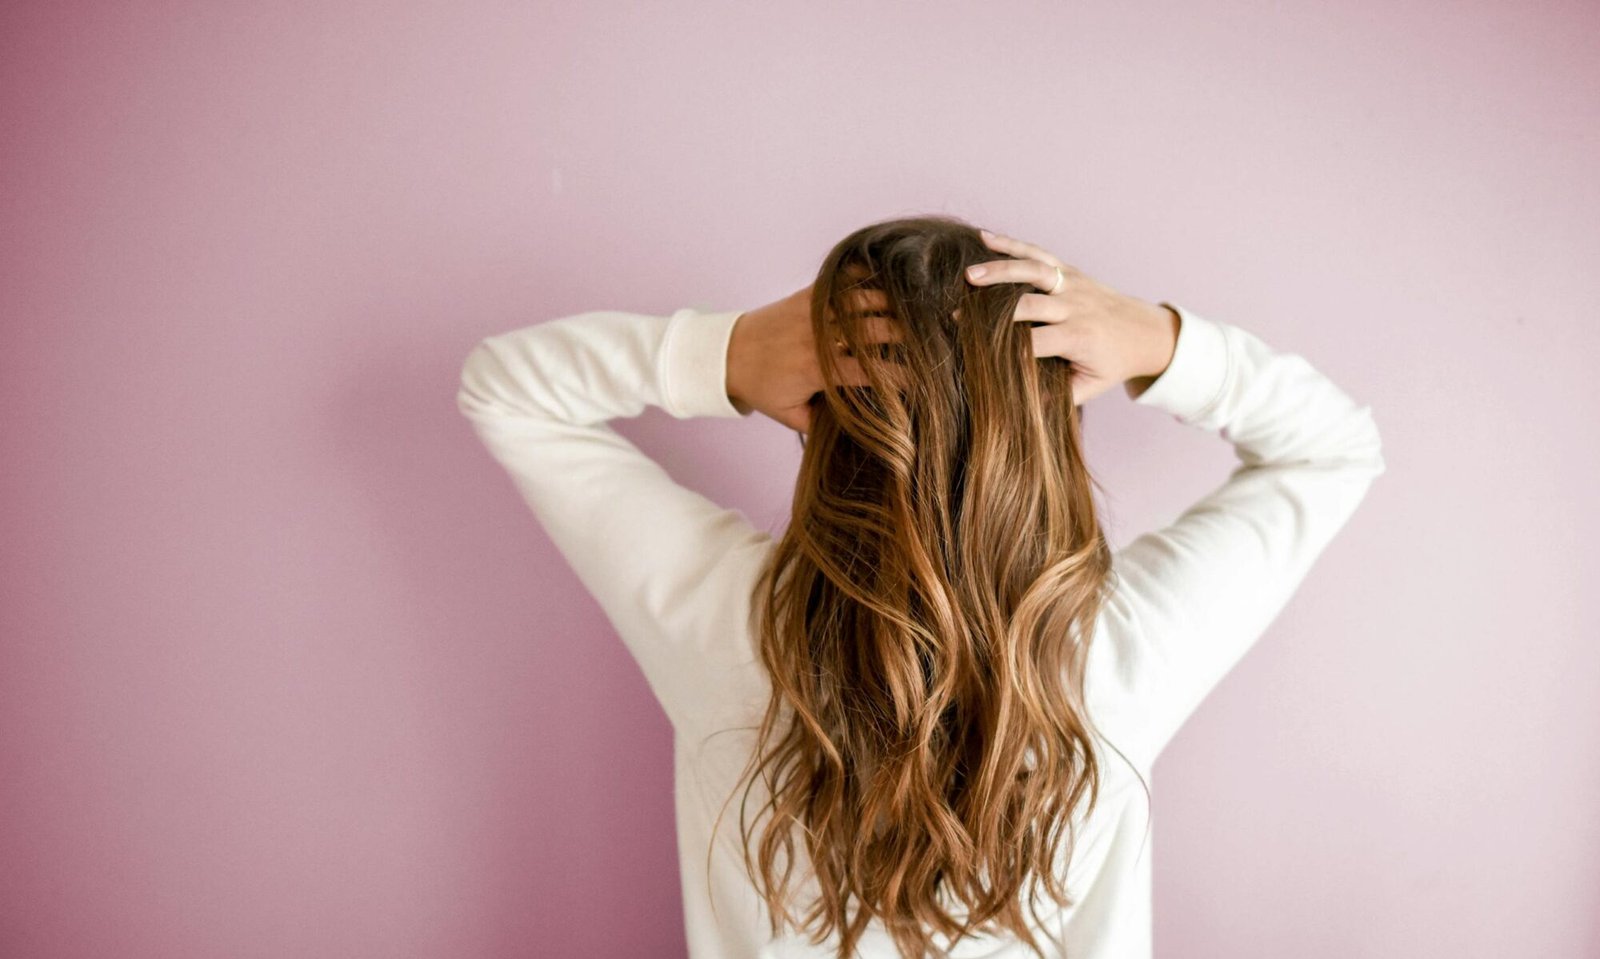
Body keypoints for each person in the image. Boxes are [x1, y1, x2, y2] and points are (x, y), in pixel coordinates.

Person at [455, 215, 1386, 959]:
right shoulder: (1115, 657)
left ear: (823, 415)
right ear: (1044, 428)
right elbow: (1335, 449)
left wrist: (728, 352)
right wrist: (1160, 341)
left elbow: (505, 389)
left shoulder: (731, 629)